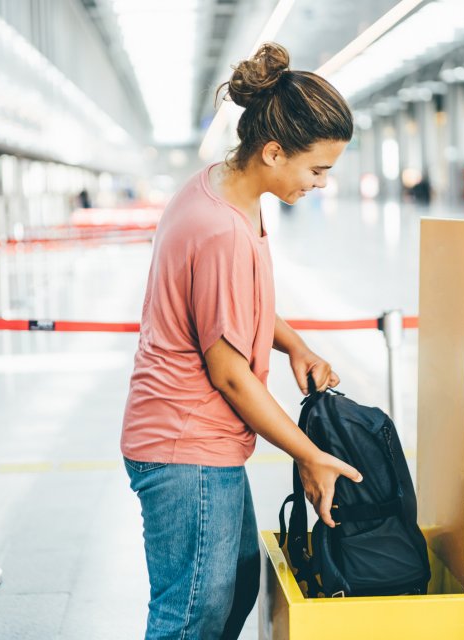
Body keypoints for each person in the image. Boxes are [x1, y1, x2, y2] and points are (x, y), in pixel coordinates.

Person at [120, 42, 362, 639]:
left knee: (234, 586)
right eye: (316, 169)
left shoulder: (222, 189)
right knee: (192, 614)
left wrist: (294, 344)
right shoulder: (223, 227)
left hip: (195, 440)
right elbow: (228, 372)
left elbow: (233, 303)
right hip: (184, 444)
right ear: (274, 151)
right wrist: (308, 451)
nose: (321, 183)